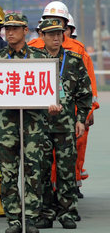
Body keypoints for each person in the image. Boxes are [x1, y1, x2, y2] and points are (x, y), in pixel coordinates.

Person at [0, 13, 58, 233]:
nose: (9, 33)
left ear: (25, 30)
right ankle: (14, 220)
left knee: (33, 172)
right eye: (6, 29)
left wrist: (56, 104)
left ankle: (31, 217)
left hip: (33, 125)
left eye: (15, 29)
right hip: (6, 125)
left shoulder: (41, 59)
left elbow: (58, 91)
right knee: (9, 174)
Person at [28, 2, 99, 198]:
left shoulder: (77, 50)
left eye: (59, 24)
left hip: (70, 116)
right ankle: (48, 199)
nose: (55, 30)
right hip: (40, 118)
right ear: (42, 30)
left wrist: (87, 112)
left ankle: (69, 196)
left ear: (66, 26)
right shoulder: (32, 50)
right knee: (42, 160)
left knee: (70, 158)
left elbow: (88, 85)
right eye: (49, 24)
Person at [35, 18, 92, 229]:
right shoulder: (34, 61)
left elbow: (84, 94)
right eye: (51, 34)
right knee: (42, 171)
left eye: (59, 34)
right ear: (42, 36)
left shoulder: (74, 60)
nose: (56, 38)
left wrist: (81, 120)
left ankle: (68, 212)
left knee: (66, 170)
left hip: (66, 126)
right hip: (40, 125)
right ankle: (47, 212)